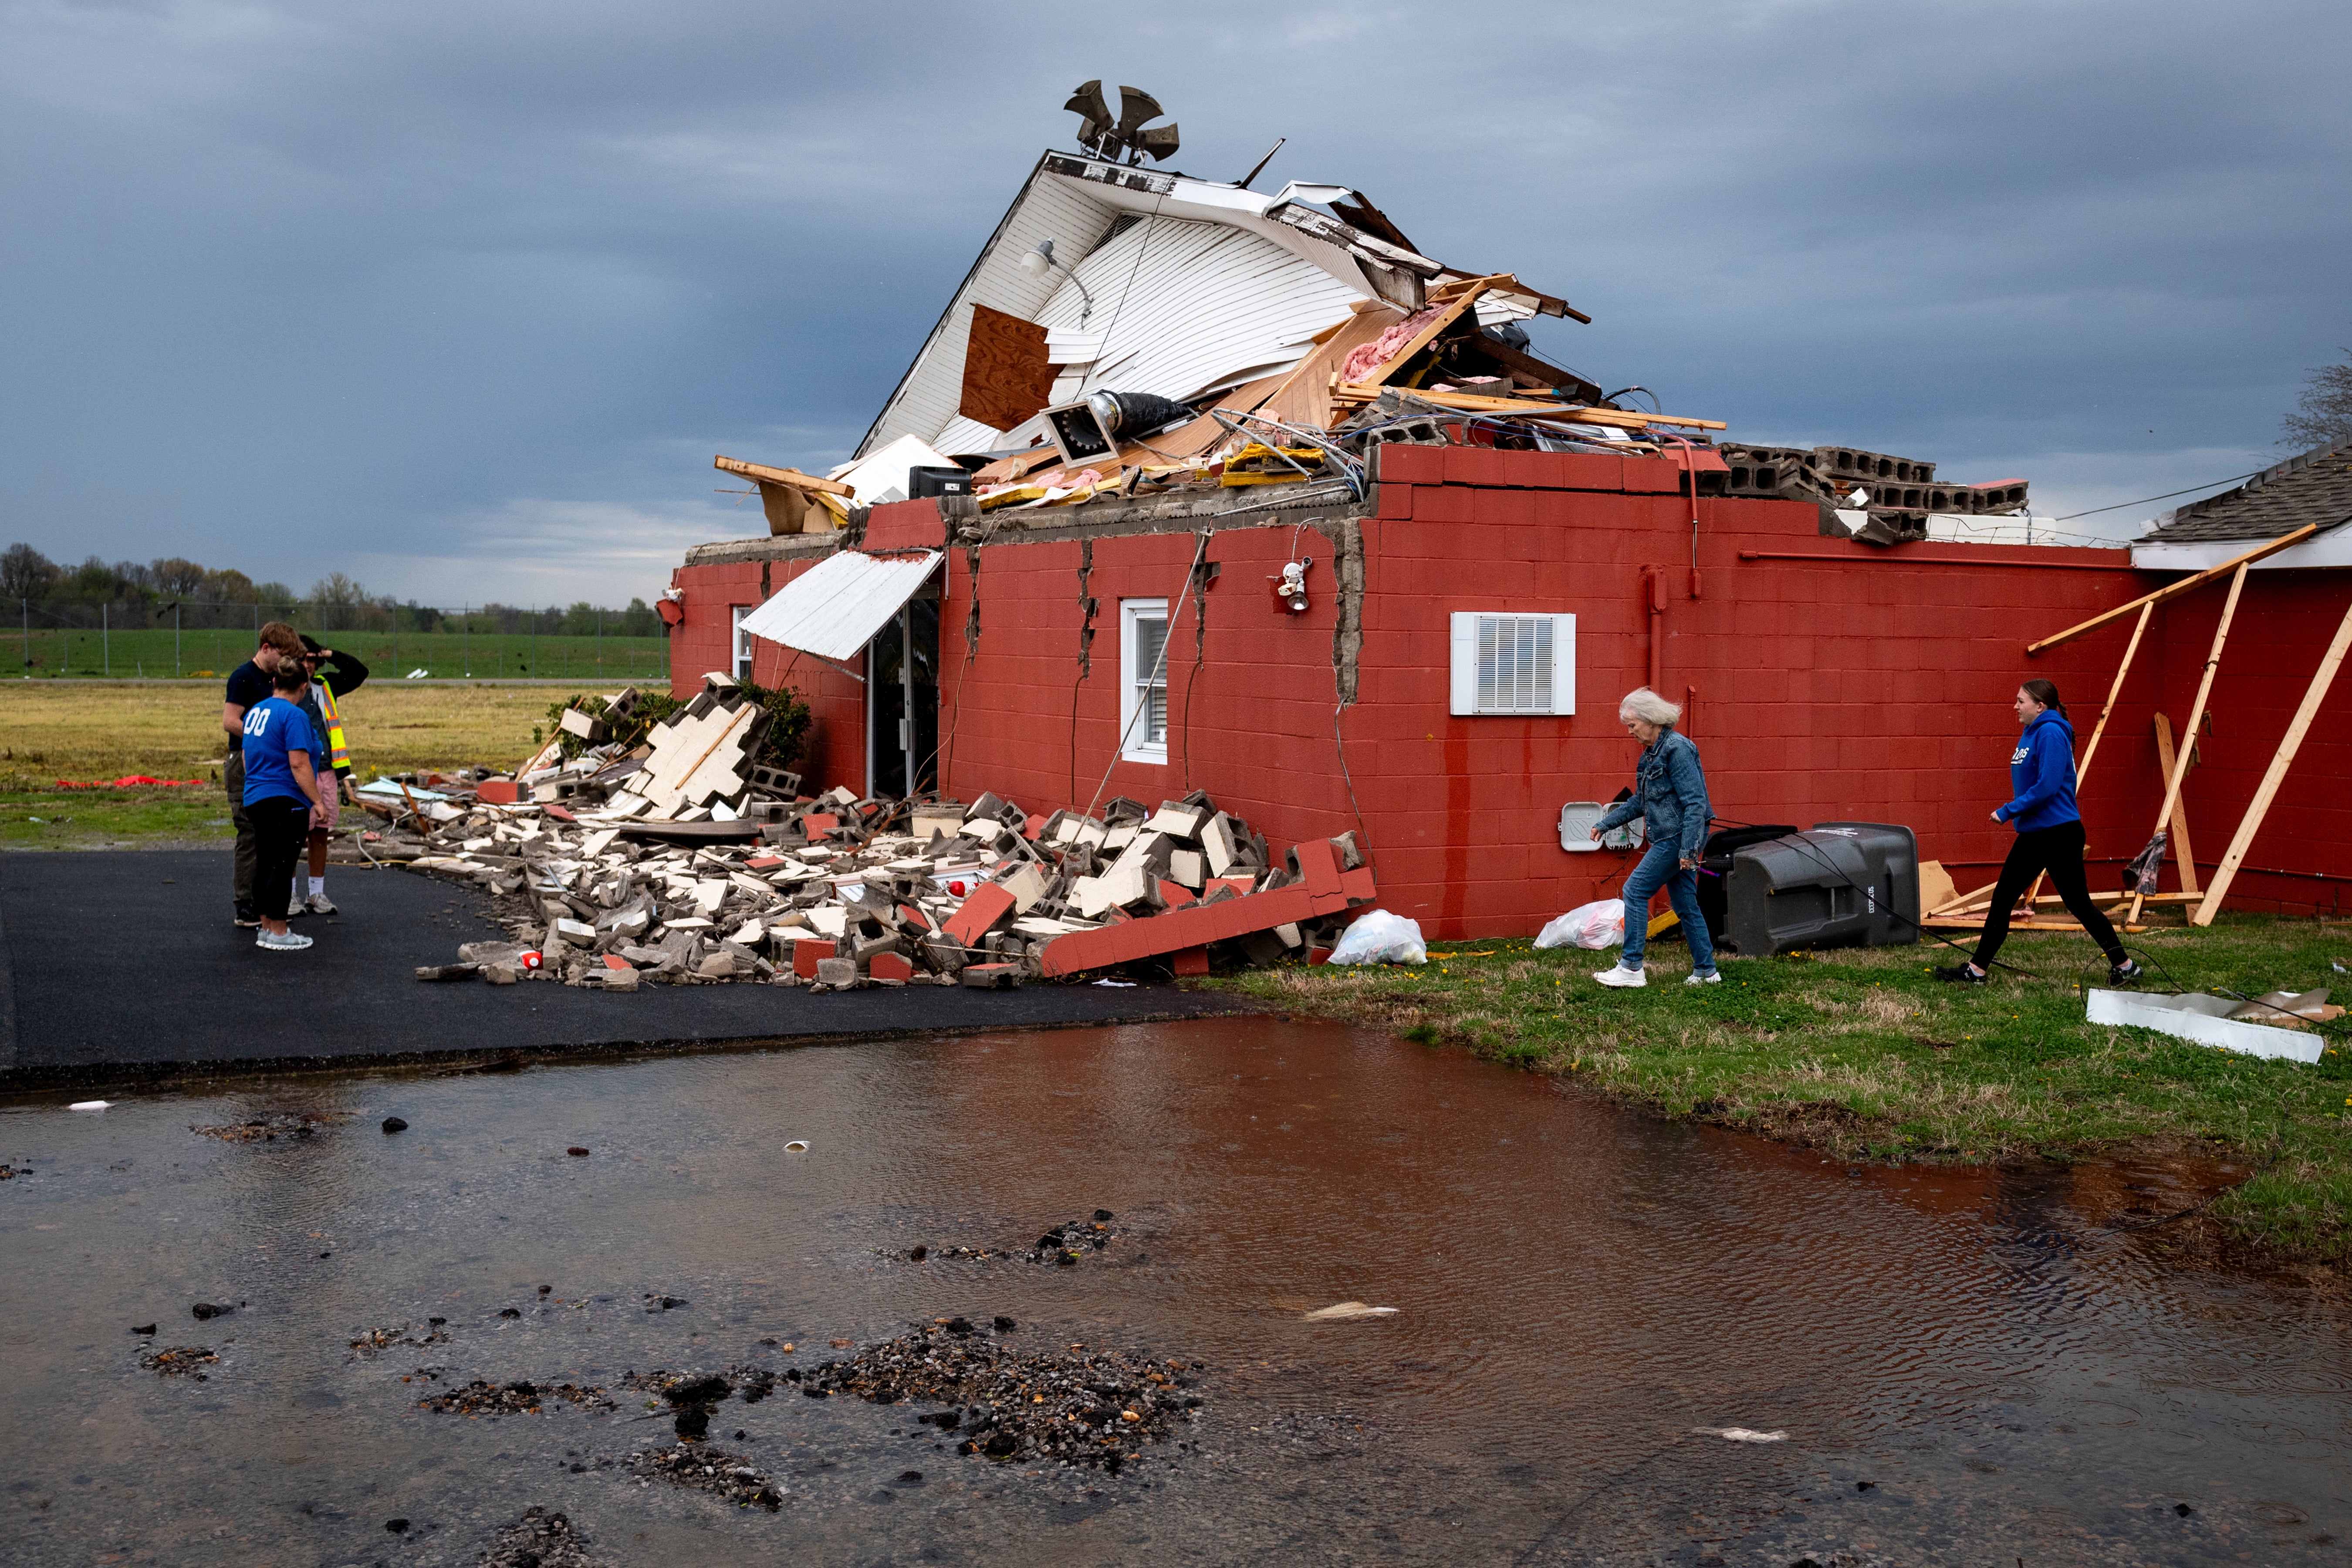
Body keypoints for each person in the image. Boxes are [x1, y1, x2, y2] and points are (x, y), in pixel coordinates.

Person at [1938, 679, 2143, 986]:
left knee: (2077, 904)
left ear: (2040, 706)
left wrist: (2008, 811)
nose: (2015, 706)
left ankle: (2125, 965)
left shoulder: (2050, 732)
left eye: (2021, 702)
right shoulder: (2032, 732)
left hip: (2058, 833)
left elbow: (2047, 787)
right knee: (2005, 898)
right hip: (2038, 833)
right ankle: (1976, 970)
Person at [1587, 687, 1720, 988]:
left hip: (1678, 837)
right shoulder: (1650, 755)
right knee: (1685, 902)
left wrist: (1688, 849)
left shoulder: (1678, 749)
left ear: (1652, 720)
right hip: (1671, 837)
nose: (1630, 732)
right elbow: (1641, 801)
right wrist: (1606, 824)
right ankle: (1707, 972)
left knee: (1635, 891)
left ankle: (1632, 968)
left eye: (1633, 725)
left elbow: (1696, 803)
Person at [220, 622, 307, 928]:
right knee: (250, 832)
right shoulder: (243, 677)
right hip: (245, 760)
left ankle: (269, 905)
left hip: (269, 761)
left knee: (271, 838)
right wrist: (263, 737)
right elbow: (230, 721)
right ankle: (245, 903)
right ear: (266, 648)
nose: (285, 663)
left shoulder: (275, 680)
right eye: (282, 655)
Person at [241, 660, 328, 952]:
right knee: (282, 862)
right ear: (304, 687)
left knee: (264, 861)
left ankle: (266, 926)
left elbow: (246, 754)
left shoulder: (256, 711)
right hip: (286, 799)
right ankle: (280, 930)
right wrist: (317, 801)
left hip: (256, 796)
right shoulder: (294, 715)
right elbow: (298, 762)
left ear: (275, 682)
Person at [287, 635, 370, 916]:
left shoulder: (325, 687)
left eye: (312, 659)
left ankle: (316, 893)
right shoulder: (281, 690)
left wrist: (330, 653)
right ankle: (289, 896)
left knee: (320, 833)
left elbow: (359, 672)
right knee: (293, 836)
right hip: (295, 774)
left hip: (325, 771)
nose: (308, 665)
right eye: (302, 659)